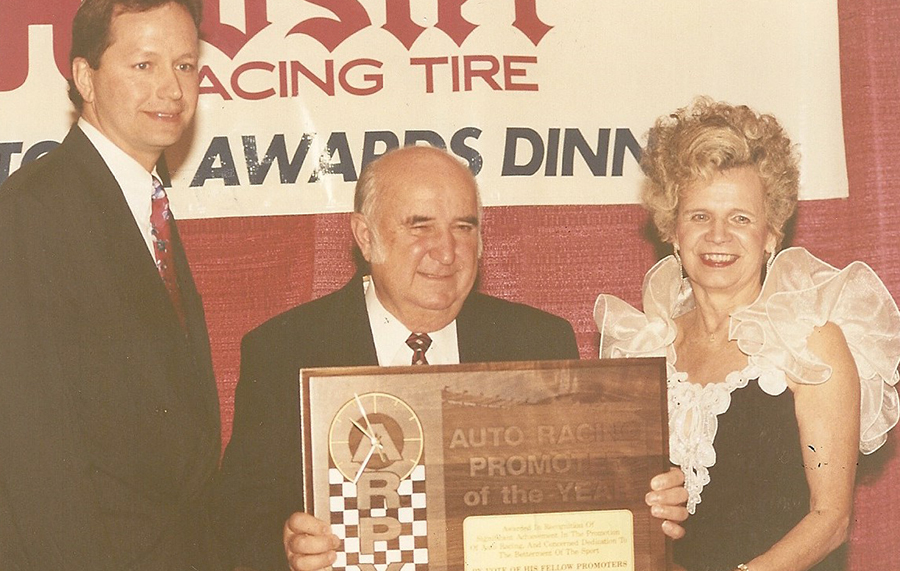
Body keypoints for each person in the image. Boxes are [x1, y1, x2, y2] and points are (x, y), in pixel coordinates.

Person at [214, 145, 689, 571]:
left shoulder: (537, 342)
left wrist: (648, 502)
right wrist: (287, 546)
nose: (446, 251)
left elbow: (583, 504)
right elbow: (237, 523)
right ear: (365, 236)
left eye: (464, 227)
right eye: (420, 225)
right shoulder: (285, 350)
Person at [594, 97, 900, 571]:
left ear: (771, 235)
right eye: (699, 216)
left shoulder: (812, 345)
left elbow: (830, 518)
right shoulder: (645, 348)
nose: (718, 236)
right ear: (672, 230)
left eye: (740, 218)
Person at [0, 1, 222, 569]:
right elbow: (31, 447)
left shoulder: (146, 203)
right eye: (144, 66)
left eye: (185, 65)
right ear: (85, 78)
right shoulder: (31, 212)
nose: (171, 90)